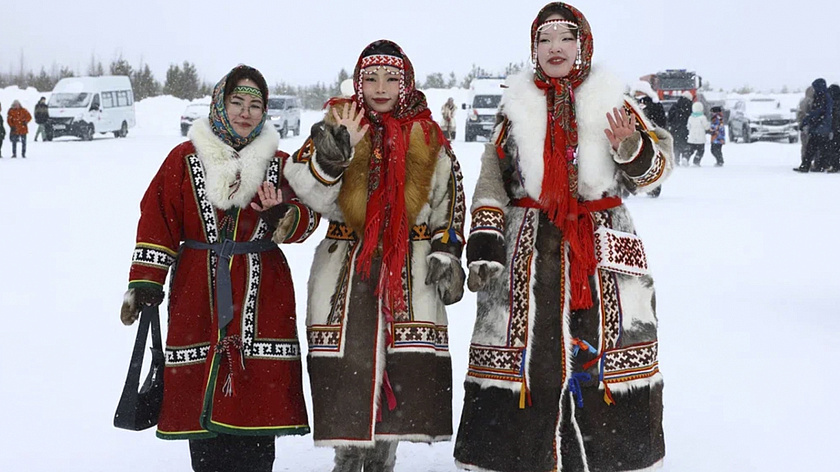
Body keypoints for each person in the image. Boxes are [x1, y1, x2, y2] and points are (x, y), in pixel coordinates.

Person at [453, 3, 672, 471]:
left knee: (602, 351)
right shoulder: (515, 106)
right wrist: (487, 235)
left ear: (582, 44)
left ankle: (605, 454)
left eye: (565, 38)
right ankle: (520, 454)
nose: (555, 48)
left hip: (599, 244)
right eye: (545, 39)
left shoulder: (613, 99)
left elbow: (656, 168)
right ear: (534, 49)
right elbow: (493, 173)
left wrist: (630, 148)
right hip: (529, 247)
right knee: (532, 355)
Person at [119, 64, 319, 472]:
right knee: (203, 418)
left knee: (258, 407)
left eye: (255, 105)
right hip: (197, 290)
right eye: (237, 103)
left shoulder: (281, 163)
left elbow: (310, 216)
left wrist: (282, 213)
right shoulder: (183, 159)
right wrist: (145, 284)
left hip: (264, 295)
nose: (246, 113)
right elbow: (157, 219)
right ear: (219, 105)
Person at [284, 40, 466, 472]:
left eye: (390, 78)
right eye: (370, 78)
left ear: (406, 82)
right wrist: (335, 153)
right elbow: (305, 189)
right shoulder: (338, 123)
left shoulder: (429, 137)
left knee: (401, 381)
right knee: (349, 374)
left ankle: (384, 459)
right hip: (347, 268)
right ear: (357, 82)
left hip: (411, 268)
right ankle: (347, 459)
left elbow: (451, 202)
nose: (380, 87)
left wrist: (447, 253)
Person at [796, 78, 833, 172]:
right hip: (825, 126)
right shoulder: (827, 97)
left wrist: (805, 121)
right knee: (823, 147)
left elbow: (816, 112)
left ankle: (805, 166)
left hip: (819, 127)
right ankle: (821, 165)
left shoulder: (821, 97)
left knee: (811, 147)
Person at [668, 91, 693, 166]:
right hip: (686, 128)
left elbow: (669, 117)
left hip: (675, 128)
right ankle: (685, 157)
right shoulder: (690, 106)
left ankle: (676, 159)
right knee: (686, 144)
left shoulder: (675, 105)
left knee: (676, 145)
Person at [686, 101, 710, 166]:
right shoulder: (702, 117)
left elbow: (688, 127)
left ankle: (686, 158)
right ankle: (696, 161)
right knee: (700, 150)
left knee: (691, 150)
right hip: (700, 138)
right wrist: (709, 124)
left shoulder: (691, 117)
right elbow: (706, 127)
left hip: (692, 137)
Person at [825, 84, 840, 173]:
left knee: (834, 147)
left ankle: (835, 165)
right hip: (836, 128)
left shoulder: (834, 102)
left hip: (836, 129)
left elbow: (835, 117)